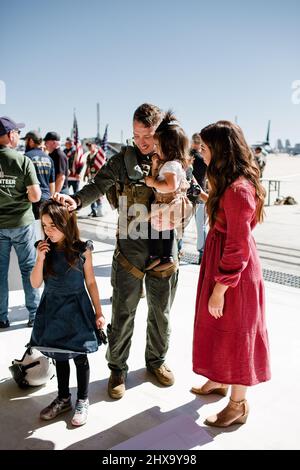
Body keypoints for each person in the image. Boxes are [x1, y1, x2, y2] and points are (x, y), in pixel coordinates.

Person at [54, 103, 178, 399]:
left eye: (147, 136)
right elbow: (98, 185)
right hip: (130, 249)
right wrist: (76, 201)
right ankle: (117, 369)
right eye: (136, 136)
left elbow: (192, 191)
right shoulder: (123, 161)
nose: (141, 143)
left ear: (159, 132)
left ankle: (156, 361)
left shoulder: (174, 158)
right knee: (123, 313)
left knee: (161, 313)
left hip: (165, 251)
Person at [191, 121, 271, 428]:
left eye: (205, 148)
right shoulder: (228, 182)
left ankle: (238, 404)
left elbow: (237, 246)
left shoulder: (239, 189)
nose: (201, 152)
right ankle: (218, 378)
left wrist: (220, 288)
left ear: (220, 150)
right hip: (222, 264)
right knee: (218, 326)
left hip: (234, 274)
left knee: (238, 334)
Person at [29, 200, 105, 426]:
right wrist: (40, 258)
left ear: (66, 222)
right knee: (59, 354)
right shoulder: (44, 249)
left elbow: (91, 282)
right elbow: (35, 284)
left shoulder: (82, 249)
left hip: (77, 307)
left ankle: (82, 399)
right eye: (44, 226)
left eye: (53, 225)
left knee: (80, 355)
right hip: (52, 308)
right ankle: (64, 398)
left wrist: (98, 312)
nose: (47, 231)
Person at [0, 116, 41, 328]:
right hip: (22, 223)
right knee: (28, 268)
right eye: (17, 132)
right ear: (9, 135)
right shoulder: (23, 161)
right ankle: (34, 313)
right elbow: (35, 196)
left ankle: (0, 317)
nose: (19, 136)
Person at [144, 111, 192, 271]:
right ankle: (167, 257)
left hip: (167, 203)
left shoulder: (171, 165)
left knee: (152, 226)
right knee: (166, 229)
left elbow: (170, 185)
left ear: (168, 147)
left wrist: (153, 182)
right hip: (170, 204)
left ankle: (155, 256)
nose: (155, 149)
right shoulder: (173, 163)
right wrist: (155, 166)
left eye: (157, 146)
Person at [23, 130, 55, 219]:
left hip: (31, 199)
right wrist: (51, 200)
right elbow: (52, 183)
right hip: (46, 198)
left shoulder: (26, 157)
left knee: (34, 229)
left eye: (26, 141)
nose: (25, 143)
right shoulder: (49, 158)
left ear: (31, 141)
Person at [190, 133, 207, 264]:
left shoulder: (187, 156)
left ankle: (177, 250)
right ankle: (202, 254)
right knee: (201, 226)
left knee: (179, 225)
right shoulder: (204, 158)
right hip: (200, 194)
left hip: (186, 194)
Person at [84, 142, 105, 217]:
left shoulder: (99, 155)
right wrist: (85, 175)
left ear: (95, 146)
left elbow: (102, 166)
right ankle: (93, 210)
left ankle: (100, 210)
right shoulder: (89, 156)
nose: (89, 147)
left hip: (98, 176)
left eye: (90, 145)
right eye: (88, 146)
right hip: (91, 176)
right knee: (91, 194)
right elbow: (88, 166)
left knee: (98, 194)